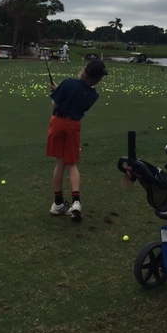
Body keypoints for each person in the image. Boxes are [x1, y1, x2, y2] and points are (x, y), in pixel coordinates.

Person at [45, 59, 108, 221]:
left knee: (60, 162)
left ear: (84, 70)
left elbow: (54, 104)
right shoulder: (94, 95)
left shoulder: (68, 83)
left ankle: (58, 203)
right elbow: (78, 99)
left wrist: (59, 92)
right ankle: (76, 202)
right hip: (73, 126)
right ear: (98, 78)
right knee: (71, 163)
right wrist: (61, 91)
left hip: (58, 123)